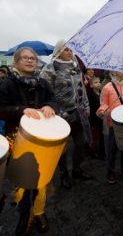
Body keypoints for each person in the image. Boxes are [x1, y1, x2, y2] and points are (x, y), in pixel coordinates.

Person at [0, 47, 59, 235]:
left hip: (42, 139)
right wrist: (21, 110)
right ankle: (24, 214)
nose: (29, 60)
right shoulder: (7, 84)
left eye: (33, 58)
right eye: (25, 58)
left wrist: (50, 106)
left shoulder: (43, 83)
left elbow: (53, 99)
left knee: (41, 181)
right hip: (17, 138)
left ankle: (39, 212)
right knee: (22, 182)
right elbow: (1, 109)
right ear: (16, 62)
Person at [40, 39, 93, 190]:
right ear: (58, 51)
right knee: (61, 147)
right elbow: (45, 93)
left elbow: (82, 88)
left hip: (78, 113)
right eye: (66, 50)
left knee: (81, 143)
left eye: (71, 50)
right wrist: (56, 111)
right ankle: (64, 173)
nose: (70, 52)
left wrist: (86, 106)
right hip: (59, 115)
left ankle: (77, 170)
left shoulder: (76, 67)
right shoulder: (51, 68)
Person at [97, 71, 123, 184]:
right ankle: (111, 171)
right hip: (112, 123)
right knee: (112, 149)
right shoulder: (107, 88)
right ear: (113, 71)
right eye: (120, 69)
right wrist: (102, 111)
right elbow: (103, 104)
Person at [88, 76, 105, 159]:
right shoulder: (91, 96)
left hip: (101, 118)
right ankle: (93, 151)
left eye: (99, 82)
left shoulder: (102, 93)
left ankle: (101, 151)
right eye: (96, 82)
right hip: (95, 119)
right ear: (91, 85)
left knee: (101, 135)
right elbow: (92, 109)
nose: (98, 84)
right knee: (95, 136)